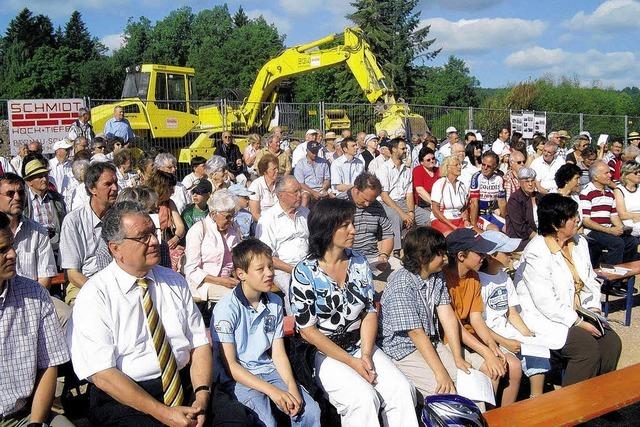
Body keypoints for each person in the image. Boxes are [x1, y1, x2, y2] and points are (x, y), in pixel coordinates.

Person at [67, 201, 214, 426]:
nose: (155, 241)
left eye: (153, 233)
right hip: (127, 397)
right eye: (142, 237)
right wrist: (164, 414)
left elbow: (199, 343)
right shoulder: (95, 295)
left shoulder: (174, 281)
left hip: (185, 382)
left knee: (236, 420)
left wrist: (201, 398)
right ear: (115, 248)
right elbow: (102, 374)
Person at [290, 198, 418, 426]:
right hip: (325, 353)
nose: (353, 230)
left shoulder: (358, 261)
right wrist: (351, 362)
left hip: (361, 345)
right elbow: (308, 331)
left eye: (352, 223)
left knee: (402, 390)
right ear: (327, 229)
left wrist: (366, 355)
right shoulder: (304, 273)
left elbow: (368, 311)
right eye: (345, 225)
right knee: (363, 399)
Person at [513, 194, 622, 386]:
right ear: (556, 224)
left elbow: (590, 281)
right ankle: (572, 406)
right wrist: (579, 322)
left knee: (612, 343)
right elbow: (545, 302)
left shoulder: (579, 242)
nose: (577, 220)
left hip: (580, 310)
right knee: (586, 349)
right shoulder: (537, 252)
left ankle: (601, 396)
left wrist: (594, 309)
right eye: (572, 217)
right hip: (546, 317)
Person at [211, 239, 321, 426]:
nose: (269, 273)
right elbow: (231, 366)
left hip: (268, 369)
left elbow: (278, 353)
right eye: (260, 269)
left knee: (309, 411)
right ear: (241, 274)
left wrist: (292, 386)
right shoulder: (226, 308)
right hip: (239, 377)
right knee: (266, 421)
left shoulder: (274, 302)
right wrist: (272, 391)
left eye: (270, 267)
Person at [379, 227, 472, 399]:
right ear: (423, 258)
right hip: (403, 349)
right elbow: (415, 333)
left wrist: (457, 358)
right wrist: (441, 372)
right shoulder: (401, 285)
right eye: (440, 254)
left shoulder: (436, 276)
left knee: (470, 382)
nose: (445, 258)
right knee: (447, 393)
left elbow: (448, 316)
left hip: (430, 341)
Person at [0, 211, 73, 427]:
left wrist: (35, 423)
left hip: (24, 414)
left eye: (11, 246)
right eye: (2, 250)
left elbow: (49, 365)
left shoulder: (34, 294)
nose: (13, 254)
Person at [444, 228, 521, 407]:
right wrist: (488, 353)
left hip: (471, 336)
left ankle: (501, 415)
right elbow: (455, 327)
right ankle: (487, 416)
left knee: (506, 365)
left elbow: (476, 317)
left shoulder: (473, 277)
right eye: (479, 253)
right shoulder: (445, 279)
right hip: (452, 338)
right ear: (461, 256)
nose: (483, 257)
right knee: (492, 369)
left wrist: (492, 346)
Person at [479, 231, 550, 398]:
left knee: (538, 353)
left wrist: (527, 333)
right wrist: (506, 342)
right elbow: (479, 323)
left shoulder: (503, 276)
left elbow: (511, 312)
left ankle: (536, 398)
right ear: (490, 256)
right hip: (491, 335)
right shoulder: (479, 281)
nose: (511, 255)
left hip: (507, 330)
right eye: (506, 252)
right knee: (513, 365)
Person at [0, 172, 71, 327]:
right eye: (10, 193)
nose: (17, 197)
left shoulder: (37, 231)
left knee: (66, 315)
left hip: (34, 296)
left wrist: (28, 303)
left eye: (21, 192)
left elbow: (45, 279)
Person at [60, 162, 118, 305]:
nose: (115, 188)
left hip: (117, 282)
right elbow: (72, 274)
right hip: (84, 283)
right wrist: (100, 292)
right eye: (108, 184)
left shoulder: (121, 216)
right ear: (92, 188)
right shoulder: (73, 221)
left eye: (116, 182)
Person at [255, 176, 309, 309]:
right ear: (281, 195)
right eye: (295, 192)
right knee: (295, 289)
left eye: (300, 191)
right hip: (282, 268)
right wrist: (295, 270)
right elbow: (267, 256)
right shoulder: (268, 219)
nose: (300, 195)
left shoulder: (306, 213)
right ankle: (298, 324)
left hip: (307, 264)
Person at [337, 172, 398, 279]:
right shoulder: (339, 204)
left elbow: (387, 234)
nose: (367, 204)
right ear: (356, 190)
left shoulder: (377, 206)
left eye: (371, 200)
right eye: (365, 200)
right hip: (346, 258)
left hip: (373, 258)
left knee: (402, 271)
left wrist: (384, 255)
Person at [184, 190, 241, 304]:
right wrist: (221, 281)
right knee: (234, 298)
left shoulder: (234, 229)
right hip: (204, 284)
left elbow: (236, 259)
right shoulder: (198, 230)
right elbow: (191, 270)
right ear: (214, 214)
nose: (231, 220)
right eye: (227, 217)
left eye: (233, 216)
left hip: (230, 281)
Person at [580, 160, 640, 267]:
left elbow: (614, 216)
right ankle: (612, 278)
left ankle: (626, 274)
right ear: (596, 177)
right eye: (606, 173)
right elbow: (586, 221)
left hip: (607, 230)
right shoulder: (586, 192)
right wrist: (609, 230)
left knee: (632, 241)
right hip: (593, 231)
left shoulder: (609, 193)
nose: (610, 175)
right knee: (617, 243)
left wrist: (622, 228)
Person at [377, 137, 430, 252]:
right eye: (403, 148)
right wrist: (403, 214)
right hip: (387, 203)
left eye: (405, 148)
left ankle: (423, 245)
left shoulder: (407, 170)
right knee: (396, 217)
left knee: (428, 218)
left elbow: (409, 194)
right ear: (394, 150)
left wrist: (411, 212)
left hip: (403, 202)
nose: (406, 150)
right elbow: (384, 195)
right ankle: (397, 249)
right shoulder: (383, 169)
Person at [22, 153, 66, 259]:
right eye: (39, 177)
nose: (44, 179)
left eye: (45, 175)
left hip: (55, 247)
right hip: (32, 249)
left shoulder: (56, 198)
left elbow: (64, 222)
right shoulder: (22, 200)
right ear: (29, 182)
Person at [147, 171, 186, 258]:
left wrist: (176, 238)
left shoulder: (169, 203)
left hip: (166, 243)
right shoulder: (146, 204)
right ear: (162, 188)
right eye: (170, 188)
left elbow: (180, 227)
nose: (173, 192)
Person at [430, 156, 470, 235]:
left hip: (458, 219)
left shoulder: (462, 185)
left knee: (471, 235)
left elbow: (464, 208)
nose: (460, 167)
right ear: (448, 168)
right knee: (453, 237)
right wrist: (452, 226)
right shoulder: (439, 184)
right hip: (441, 220)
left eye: (460, 164)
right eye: (456, 165)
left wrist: (466, 220)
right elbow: (435, 210)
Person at [469, 151, 507, 232]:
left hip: (491, 213)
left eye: (488, 166)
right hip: (479, 215)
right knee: (495, 229)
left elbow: (502, 202)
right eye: (483, 164)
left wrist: (506, 219)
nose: (485, 168)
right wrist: (474, 225)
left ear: (495, 167)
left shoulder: (499, 178)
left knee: (509, 228)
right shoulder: (476, 177)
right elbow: (474, 203)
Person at [505, 168, 540, 248]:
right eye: (527, 181)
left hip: (539, 235)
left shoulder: (539, 197)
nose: (530, 184)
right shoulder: (515, 200)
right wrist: (540, 239)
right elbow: (521, 228)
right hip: (521, 240)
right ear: (520, 182)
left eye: (532, 181)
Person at [293, 141, 330, 207]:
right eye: (312, 152)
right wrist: (313, 192)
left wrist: (324, 189)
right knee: (305, 197)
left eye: (316, 151)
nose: (315, 154)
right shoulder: (300, 164)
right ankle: (303, 215)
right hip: (307, 189)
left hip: (321, 188)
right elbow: (300, 183)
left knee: (333, 196)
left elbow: (327, 179)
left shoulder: (323, 162)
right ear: (307, 150)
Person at [248, 154, 279, 222]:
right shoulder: (256, 186)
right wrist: (269, 225)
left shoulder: (281, 182)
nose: (277, 171)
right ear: (265, 171)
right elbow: (255, 214)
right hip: (263, 221)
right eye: (274, 169)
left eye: (277, 168)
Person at [413, 147, 440, 221]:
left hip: (438, 202)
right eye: (428, 160)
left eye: (433, 158)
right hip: (424, 204)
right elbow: (420, 190)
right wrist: (434, 203)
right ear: (422, 162)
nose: (432, 161)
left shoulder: (438, 170)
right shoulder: (418, 170)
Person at [614, 160, 640, 236]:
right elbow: (622, 214)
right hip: (629, 222)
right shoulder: (619, 190)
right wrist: (637, 216)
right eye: (636, 172)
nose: (639, 174)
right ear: (626, 175)